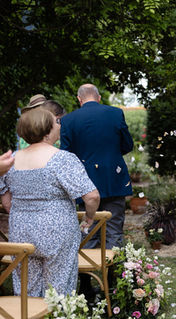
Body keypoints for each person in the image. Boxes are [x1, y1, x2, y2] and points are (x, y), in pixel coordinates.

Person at [0, 108, 99, 297]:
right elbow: (92, 196)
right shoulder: (62, 159)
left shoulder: (10, 161)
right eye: (56, 122)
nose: (59, 126)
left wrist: (24, 211)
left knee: (27, 292)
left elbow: (5, 198)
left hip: (21, 230)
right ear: (47, 129)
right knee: (59, 291)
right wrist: (89, 217)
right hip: (58, 231)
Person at [60, 83, 133, 298]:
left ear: (79, 99)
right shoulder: (115, 113)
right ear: (99, 97)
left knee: (86, 233)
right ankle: (110, 286)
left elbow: (65, 155)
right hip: (113, 181)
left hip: (83, 186)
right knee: (114, 232)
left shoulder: (68, 120)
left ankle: (86, 287)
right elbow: (127, 145)